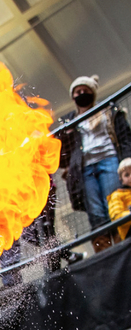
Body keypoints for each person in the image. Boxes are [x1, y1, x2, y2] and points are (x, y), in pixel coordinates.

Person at [59, 74, 131, 253]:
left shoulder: (109, 110)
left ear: (93, 93)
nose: (82, 94)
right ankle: (105, 254)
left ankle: (123, 247)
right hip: (85, 170)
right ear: (73, 97)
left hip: (109, 161)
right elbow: (61, 154)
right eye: (78, 92)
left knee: (113, 206)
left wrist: (127, 160)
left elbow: (124, 135)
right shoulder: (69, 122)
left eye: (85, 91)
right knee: (96, 212)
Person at [108, 157, 131, 241]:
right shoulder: (117, 195)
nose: (130, 177)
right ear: (121, 179)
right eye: (127, 175)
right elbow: (117, 217)